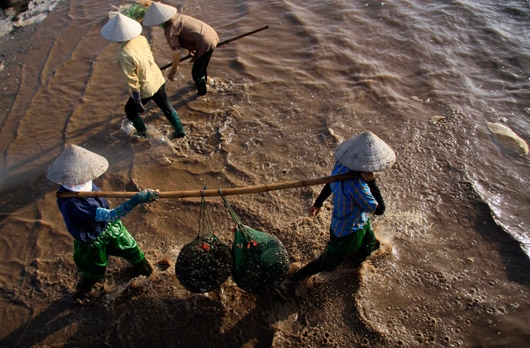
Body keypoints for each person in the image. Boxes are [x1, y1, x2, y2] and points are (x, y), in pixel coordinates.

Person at [280, 131, 396, 295]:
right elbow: (379, 210)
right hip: (348, 231)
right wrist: (373, 182)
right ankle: (296, 277)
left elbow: (330, 183)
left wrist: (318, 203)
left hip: (360, 222)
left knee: (369, 245)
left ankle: (358, 261)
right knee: (327, 261)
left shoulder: (340, 167)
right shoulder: (359, 187)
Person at [47, 144, 160, 297]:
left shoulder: (86, 183)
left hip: (109, 227)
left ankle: (150, 275)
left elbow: (108, 217)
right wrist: (137, 200)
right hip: (91, 241)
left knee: (133, 250)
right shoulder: (72, 203)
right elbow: (111, 215)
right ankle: (81, 294)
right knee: (95, 272)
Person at [100, 12, 186, 139]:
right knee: (166, 107)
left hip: (146, 87)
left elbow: (132, 79)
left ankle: (142, 133)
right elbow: (149, 57)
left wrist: (137, 100)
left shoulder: (124, 54)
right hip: (157, 78)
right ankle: (180, 132)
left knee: (130, 110)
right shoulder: (141, 38)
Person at [142, 2, 219, 96]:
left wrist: (172, 72)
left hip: (205, 43)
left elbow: (176, 53)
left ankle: (202, 94)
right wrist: (191, 49)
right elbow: (190, 33)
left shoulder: (170, 29)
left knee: (196, 73)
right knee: (201, 66)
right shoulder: (179, 17)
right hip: (211, 34)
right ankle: (208, 82)